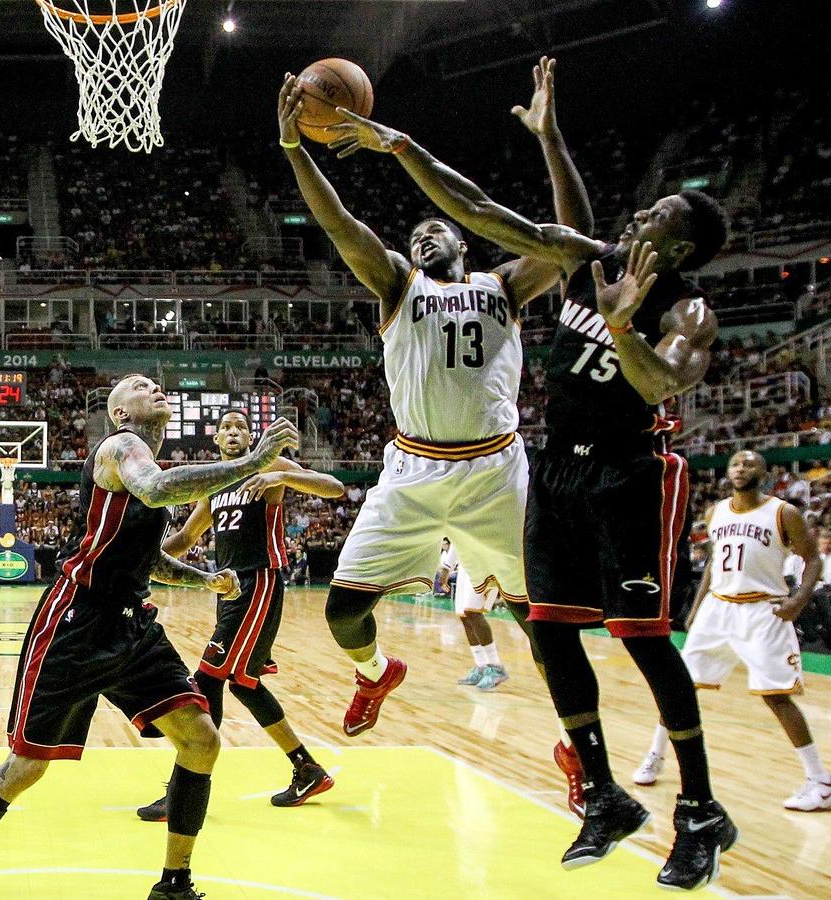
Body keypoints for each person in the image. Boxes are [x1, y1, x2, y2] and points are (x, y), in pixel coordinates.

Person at [324, 60, 736, 889]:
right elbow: (489, 210)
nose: (642, 210)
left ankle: (700, 810)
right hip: (554, 470)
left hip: (630, 473)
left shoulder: (687, 308)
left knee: (644, 642)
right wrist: (437, 142)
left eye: (659, 211)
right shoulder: (594, 259)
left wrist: (621, 329)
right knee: (547, 629)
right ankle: (605, 796)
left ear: (681, 244)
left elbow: (661, 383)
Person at [281, 58, 591, 815]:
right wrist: (295, 150)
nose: (422, 236)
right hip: (413, 472)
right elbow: (338, 224)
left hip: (496, 472)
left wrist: (550, 140)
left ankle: (578, 747)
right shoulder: (395, 283)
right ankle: (376, 672)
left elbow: (573, 237)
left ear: (464, 240)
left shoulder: (506, 286)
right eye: (414, 232)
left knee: (540, 621)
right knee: (342, 612)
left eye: (434, 228)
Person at [0, 375, 297, 900]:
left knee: (201, 739)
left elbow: (149, 559)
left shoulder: (146, 471)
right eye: (139, 386)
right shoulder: (121, 447)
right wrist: (253, 462)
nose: (155, 387)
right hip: (76, 622)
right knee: (26, 767)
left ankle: (174, 884)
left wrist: (202, 579)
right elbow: (158, 488)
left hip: (133, 624)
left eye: (158, 384)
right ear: (120, 413)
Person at [135, 409, 344, 821]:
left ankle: (185, 786)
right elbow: (185, 538)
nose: (233, 433)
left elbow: (334, 487)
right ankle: (307, 769)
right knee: (245, 686)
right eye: (225, 428)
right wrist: (139, 559)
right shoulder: (214, 487)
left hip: (258, 581)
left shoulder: (270, 466)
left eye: (240, 427)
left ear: (250, 436)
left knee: (207, 678)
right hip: (228, 588)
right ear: (216, 441)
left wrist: (282, 477)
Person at [634, 451, 831, 812]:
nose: (741, 469)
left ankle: (822, 783)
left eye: (749, 464)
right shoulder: (715, 512)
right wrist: (698, 607)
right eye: (735, 464)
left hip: (763, 610)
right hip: (719, 607)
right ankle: (655, 755)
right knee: (679, 686)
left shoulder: (783, 512)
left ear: (765, 472)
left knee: (776, 695)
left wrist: (797, 601)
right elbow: (716, 562)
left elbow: (813, 558)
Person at [438, 538, 508, 690]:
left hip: (485, 563)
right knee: (464, 616)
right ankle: (482, 666)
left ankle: (496, 667)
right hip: (465, 565)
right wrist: (446, 567)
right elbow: (458, 534)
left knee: (473, 612)